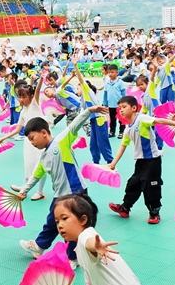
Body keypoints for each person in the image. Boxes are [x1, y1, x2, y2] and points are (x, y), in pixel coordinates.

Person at [17, 104, 108, 264]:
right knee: (53, 221)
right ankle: (39, 246)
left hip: (75, 192)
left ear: (44, 133)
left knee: (73, 226)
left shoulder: (61, 141)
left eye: (32, 138)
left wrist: (88, 111)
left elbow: (75, 125)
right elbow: (35, 176)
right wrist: (24, 190)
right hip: (60, 196)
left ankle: (73, 258)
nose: (31, 142)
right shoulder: (44, 157)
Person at [108, 96, 175, 224]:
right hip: (140, 162)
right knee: (133, 184)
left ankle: (154, 213)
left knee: (150, 186)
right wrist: (113, 163)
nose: (121, 110)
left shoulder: (141, 119)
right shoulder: (128, 128)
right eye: (119, 108)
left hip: (153, 160)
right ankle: (125, 208)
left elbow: (160, 121)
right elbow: (123, 146)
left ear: (134, 108)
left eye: (124, 107)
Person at [0, 79, 48, 201]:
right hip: (29, 142)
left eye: (24, 97)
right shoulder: (23, 111)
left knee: (41, 165)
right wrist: (2, 138)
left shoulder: (35, 104)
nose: (21, 99)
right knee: (28, 164)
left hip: (41, 140)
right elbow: (17, 129)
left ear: (31, 96)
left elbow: (38, 90)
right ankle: (25, 186)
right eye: (19, 97)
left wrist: (40, 78)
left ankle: (40, 192)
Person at [102, 64, 127, 138]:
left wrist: (124, 103)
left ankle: (121, 132)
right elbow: (105, 93)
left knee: (121, 119)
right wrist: (105, 103)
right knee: (112, 119)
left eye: (112, 72)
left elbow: (123, 94)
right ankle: (112, 132)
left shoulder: (120, 82)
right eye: (109, 72)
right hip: (111, 105)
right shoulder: (107, 83)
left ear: (117, 73)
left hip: (119, 105)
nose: (110, 74)